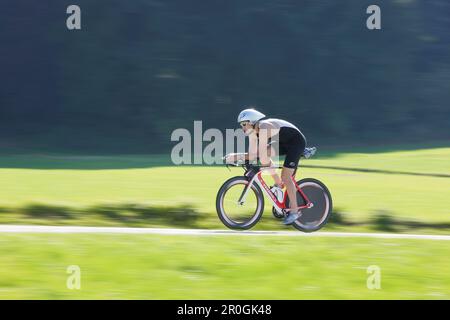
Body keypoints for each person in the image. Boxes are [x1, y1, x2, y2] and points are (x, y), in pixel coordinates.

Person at [225, 108, 307, 225]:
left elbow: (254, 154)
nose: (242, 128)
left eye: (244, 124)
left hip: (296, 143)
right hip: (282, 143)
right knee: (264, 159)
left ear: (252, 122)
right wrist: (239, 158)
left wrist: (236, 156)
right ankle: (278, 184)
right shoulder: (252, 132)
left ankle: (294, 211)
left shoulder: (264, 127)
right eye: (241, 125)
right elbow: (252, 154)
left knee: (286, 176)